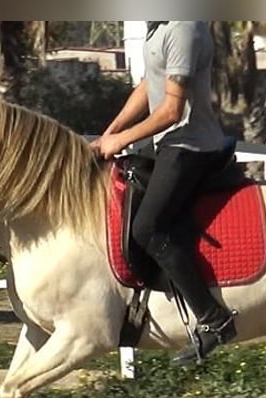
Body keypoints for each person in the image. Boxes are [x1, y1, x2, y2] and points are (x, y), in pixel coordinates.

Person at [91, 21, 237, 365]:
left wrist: (122, 140)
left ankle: (215, 320)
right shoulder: (158, 29)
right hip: (168, 145)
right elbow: (147, 86)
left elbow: (172, 110)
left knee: (148, 228)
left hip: (192, 146)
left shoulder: (184, 28)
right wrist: (109, 133)